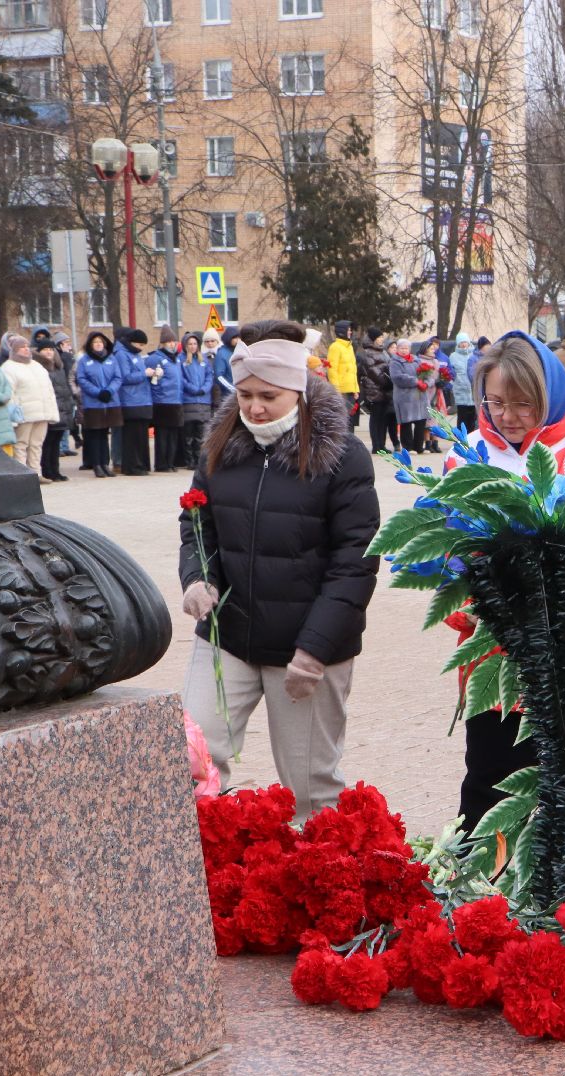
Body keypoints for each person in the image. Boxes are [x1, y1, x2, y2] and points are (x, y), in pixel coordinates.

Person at [179, 319, 381, 820]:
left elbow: (355, 560)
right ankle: (200, 878)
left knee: (310, 788)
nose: (254, 407)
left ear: (299, 389)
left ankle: (321, 885)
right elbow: (197, 522)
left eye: (268, 395)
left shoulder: (343, 455)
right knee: (188, 760)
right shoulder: (221, 446)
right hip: (229, 634)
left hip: (306, 647)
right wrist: (196, 578)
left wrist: (315, 649)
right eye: (244, 394)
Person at [441, 331, 565, 832]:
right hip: (494, 655)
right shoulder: (467, 454)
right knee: (489, 779)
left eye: (522, 403)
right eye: (495, 402)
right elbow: (449, 550)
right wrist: (463, 595)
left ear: (549, 394)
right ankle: (480, 895)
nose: (507, 416)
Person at [2, 334, 59, 480]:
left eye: (27, 347)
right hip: (24, 413)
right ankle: (22, 474)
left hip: (42, 412)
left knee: (36, 444)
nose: (26, 350)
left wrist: (52, 410)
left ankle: (36, 472)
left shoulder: (37, 365)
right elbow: (10, 393)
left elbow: (49, 389)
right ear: (14, 350)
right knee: (21, 444)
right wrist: (14, 414)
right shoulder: (9, 367)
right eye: (22, 347)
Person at [77, 331, 122, 478]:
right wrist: (97, 392)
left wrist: (109, 391)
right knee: (95, 434)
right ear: (90, 345)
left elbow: (117, 377)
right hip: (93, 403)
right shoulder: (84, 360)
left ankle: (105, 464)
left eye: (100, 342)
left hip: (110, 402)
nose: (98, 344)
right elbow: (82, 380)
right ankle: (97, 464)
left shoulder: (111, 358)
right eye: (95, 342)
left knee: (105, 434)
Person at [113, 328, 154, 476]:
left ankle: (142, 464)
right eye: (140, 345)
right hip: (130, 400)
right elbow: (125, 377)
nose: (142, 348)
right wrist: (144, 373)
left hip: (142, 399)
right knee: (132, 436)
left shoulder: (135, 354)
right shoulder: (122, 355)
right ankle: (132, 466)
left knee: (141, 435)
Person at [39, 342, 75, 482]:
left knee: (56, 442)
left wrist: (70, 403)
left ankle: (55, 470)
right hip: (51, 408)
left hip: (63, 407)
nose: (49, 352)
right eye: (45, 350)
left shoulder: (59, 367)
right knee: (48, 442)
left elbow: (65, 386)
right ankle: (47, 470)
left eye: (51, 350)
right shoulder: (40, 367)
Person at [150, 329, 185, 473]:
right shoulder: (156, 358)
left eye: (173, 341)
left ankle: (171, 462)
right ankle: (161, 464)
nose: (172, 344)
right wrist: (158, 394)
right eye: (169, 342)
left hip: (176, 401)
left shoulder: (176, 359)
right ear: (162, 343)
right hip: (162, 402)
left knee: (173, 435)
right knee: (162, 435)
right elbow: (153, 381)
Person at [180, 331, 216, 469]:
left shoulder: (204, 360)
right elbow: (181, 379)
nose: (193, 346)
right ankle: (190, 461)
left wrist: (204, 388)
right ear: (185, 345)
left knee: (201, 435)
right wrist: (193, 389)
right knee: (188, 435)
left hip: (203, 401)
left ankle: (200, 460)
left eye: (195, 343)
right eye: (190, 344)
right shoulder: (181, 360)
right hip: (189, 401)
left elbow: (209, 377)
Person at [357, 328, 396, 453]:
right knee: (376, 418)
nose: (381, 340)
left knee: (383, 419)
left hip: (386, 390)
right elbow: (373, 371)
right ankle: (376, 445)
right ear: (373, 339)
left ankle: (382, 445)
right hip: (374, 390)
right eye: (379, 338)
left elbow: (389, 366)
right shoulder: (367, 353)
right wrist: (386, 382)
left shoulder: (383, 352)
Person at [388, 338, 430, 453]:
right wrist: (416, 381)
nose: (404, 350)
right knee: (406, 422)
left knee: (420, 421)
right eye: (401, 348)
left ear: (410, 349)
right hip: (404, 397)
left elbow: (426, 374)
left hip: (419, 396)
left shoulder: (416, 360)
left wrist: (426, 382)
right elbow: (398, 377)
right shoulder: (394, 362)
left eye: (406, 348)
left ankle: (419, 447)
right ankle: (408, 447)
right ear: (397, 349)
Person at [328, 319, 360, 423]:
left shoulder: (349, 347)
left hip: (350, 390)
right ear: (342, 331)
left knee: (350, 421)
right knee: (343, 421)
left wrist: (355, 389)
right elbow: (332, 370)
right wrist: (336, 390)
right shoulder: (335, 347)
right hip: (341, 391)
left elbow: (352, 370)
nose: (350, 332)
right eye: (348, 330)